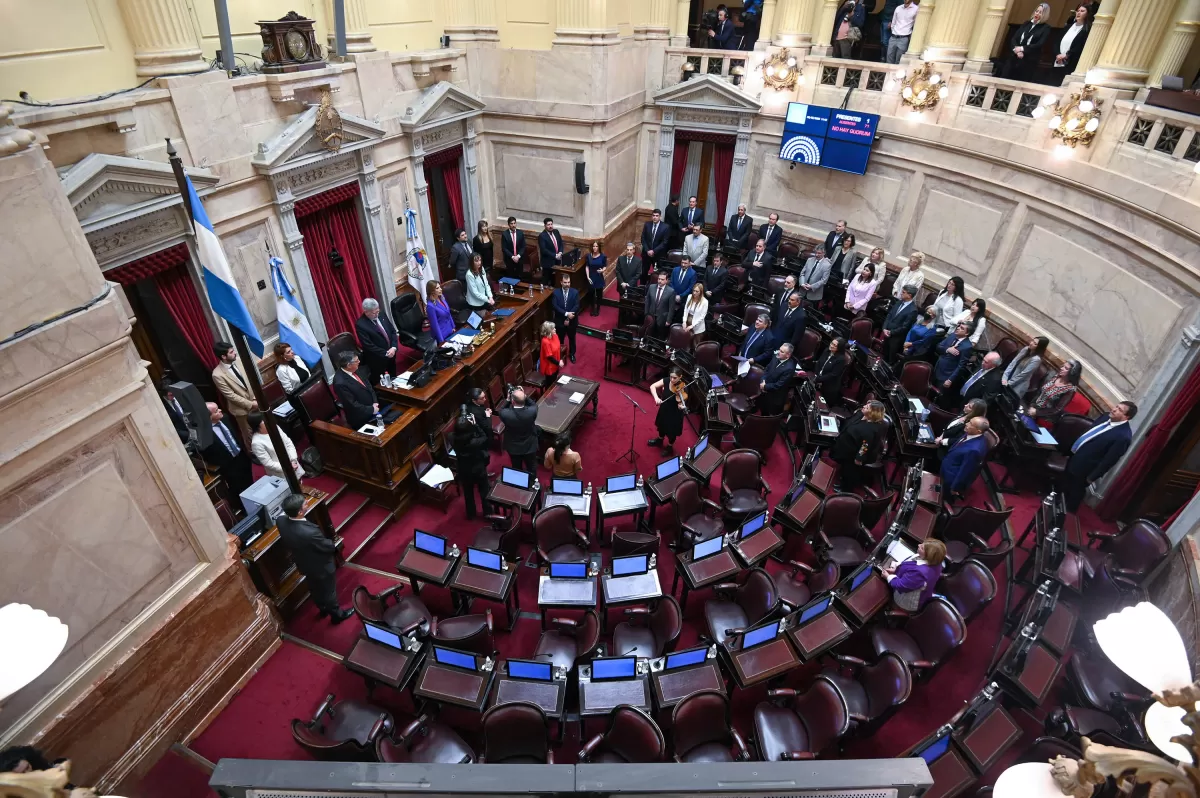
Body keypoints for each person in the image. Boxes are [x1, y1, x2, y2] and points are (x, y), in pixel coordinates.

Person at [277, 493, 352, 622]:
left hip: (304, 563)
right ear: (300, 512)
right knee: (329, 591)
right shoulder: (309, 533)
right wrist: (334, 546)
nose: (307, 503)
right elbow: (326, 546)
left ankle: (322, 608)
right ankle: (337, 615)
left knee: (314, 587)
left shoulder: (281, 521)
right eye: (305, 503)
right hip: (321, 566)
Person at [1063, 401, 1137, 512]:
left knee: (1074, 493)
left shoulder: (1123, 437)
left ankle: (1068, 515)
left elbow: (1109, 461)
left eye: (1119, 410)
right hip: (1074, 456)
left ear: (1126, 417)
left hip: (1085, 469)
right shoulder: (1105, 416)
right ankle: (1056, 505)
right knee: (1064, 485)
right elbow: (1089, 433)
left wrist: (1092, 477)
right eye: (1116, 406)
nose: (1114, 409)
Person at [831, 399, 888, 491]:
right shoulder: (860, 414)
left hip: (853, 454)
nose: (864, 406)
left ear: (872, 412)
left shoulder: (870, 430)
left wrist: (859, 458)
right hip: (847, 446)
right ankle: (842, 483)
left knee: (849, 472)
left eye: (867, 407)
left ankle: (846, 490)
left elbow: (865, 446)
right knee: (845, 469)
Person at [201, 402, 254, 498]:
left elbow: (235, 434)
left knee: (252, 480)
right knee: (240, 489)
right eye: (216, 411)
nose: (220, 410)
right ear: (209, 417)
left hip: (241, 456)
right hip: (228, 465)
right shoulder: (205, 433)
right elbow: (208, 453)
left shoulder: (225, 418)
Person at [333, 351, 394, 430]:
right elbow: (352, 405)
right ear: (349, 365)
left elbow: (368, 385)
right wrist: (372, 410)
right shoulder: (340, 383)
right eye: (356, 361)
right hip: (361, 417)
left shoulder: (355, 368)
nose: (359, 362)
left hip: (374, 406)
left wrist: (375, 402)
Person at [211, 340, 257, 445]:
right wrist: (251, 404)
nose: (234, 353)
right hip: (241, 410)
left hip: (256, 401)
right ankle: (255, 456)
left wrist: (255, 398)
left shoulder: (239, 361)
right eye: (231, 352)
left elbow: (251, 379)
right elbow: (230, 395)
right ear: (223, 356)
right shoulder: (217, 374)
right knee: (250, 435)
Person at [882, 540, 946, 611]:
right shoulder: (936, 561)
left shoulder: (920, 573)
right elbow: (910, 565)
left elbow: (901, 586)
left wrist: (888, 576)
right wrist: (897, 569)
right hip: (920, 590)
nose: (919, 545)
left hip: (906, 601)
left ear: (928, 555)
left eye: (922, 548)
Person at [454, 406, 492, 520]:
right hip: (478, 468)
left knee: (468, 493)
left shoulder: (452, 437)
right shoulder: (474, 442)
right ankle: (488, 513)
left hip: (464, 469)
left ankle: (471, 514)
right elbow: (485, 436)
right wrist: (475, 424)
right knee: (484, 491)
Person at [1000, 3, 1051, 82]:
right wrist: (1017, 51)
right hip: (1015, 56)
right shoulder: (1026, 23)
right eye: (1036, 11)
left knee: (1020, 82)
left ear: (1044, 15)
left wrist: (1022, 48)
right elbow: (1014, 38)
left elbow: (1039, 44)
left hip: (1029, 60)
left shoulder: (1046, 28)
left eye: (1040, 12)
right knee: (1005, 78)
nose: (1037, 13)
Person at [940, 417, 991, 497]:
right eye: (969, 421)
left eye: (971, 424)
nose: (966, 424)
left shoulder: (974, 450)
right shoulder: (971, 433)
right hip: (948, 464)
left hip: (950, 478)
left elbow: (965, 471)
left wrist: (955, 488)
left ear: (978, 431)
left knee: (942, 497)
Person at [248, 410, 304, 480]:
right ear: (258, 425)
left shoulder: (275, 427)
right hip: (280, 472)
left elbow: (288, 443)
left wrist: (293, 459)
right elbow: (268, 463)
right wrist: (288, 467)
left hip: (293, 463)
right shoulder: (256, 443)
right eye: (264, 420)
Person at [355, 298, 399, 384]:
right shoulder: (361, 325)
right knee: (380, 382)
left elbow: (392, 331)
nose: (377, 314)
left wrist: (394, 347)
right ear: (366, 312)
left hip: (391, 352)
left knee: (393, 375)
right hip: (377, 359)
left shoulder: (381, 314)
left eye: (377, 311)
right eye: (374, 313)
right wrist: (385, 353)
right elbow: (368, 345)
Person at [1025, 360, 1081, 426]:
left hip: (1046, 418)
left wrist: (1036, 412)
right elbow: (1040, 392)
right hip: (1034, 408)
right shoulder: (1055, 376)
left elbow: (1057, 410)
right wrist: (1032, 405)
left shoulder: (1070, 389)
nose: (1061, 368)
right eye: (1063, 366)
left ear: (1072, 372)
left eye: (1065, 368)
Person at [498, 386, 540, 474]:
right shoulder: (532, 411)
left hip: (513, 446)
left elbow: (501, 410)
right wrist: (524, 396)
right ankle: (533, 483)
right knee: (531, 466)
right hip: (529, 444)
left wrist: (507, 399)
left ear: (513, 401)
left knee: (516, 467)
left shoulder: (506, 414)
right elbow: (533, 405)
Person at [648, 368, 688, 451]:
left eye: (675, 378)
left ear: (680, 377)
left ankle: (669, 447)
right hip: (664, 409)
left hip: (674, 414)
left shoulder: (683, 388)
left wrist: (681, 407)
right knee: (661, 426)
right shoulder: (666, 380)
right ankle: (660, 440)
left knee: (671, 433)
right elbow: (652, 386)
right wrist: (656, 398)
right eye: (671, 377)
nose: (672, 380)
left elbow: (681, 404)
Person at [1052, 5, 1091, 84]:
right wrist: (1057, 54)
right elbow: (1057, 42)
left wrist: (1067, 55)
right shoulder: (1068, 27)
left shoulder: (1087, 30)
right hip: (1058, 61)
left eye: (1082, 11)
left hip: (1071, 62)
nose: (1079, 13)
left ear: (1087, 14)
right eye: (1078, 11)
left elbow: (1080, 46)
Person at [1003, 336, 1049, 401]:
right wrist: (1004, 377)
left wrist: (1008, 384)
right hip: (1008, 378)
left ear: (1039, 347)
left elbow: (1023, 375)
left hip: (1017, 386)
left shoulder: (1036, 359)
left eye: (1035, 344)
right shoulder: (1026, 349)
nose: (1031, 343)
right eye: (1032, 341)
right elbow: (1013, 362)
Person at [882, 285, 919, 362]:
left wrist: (891, 332)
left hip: (896, 338)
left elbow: (905, 327)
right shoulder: (899, 302)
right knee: (883, 355)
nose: (901, 293)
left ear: (909, 295)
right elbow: (889, 315)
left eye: (903, 292)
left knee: (890, 360)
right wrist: (884, 328)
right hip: (887, 333)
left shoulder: (913, 310)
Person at [934, 322, 975, 392]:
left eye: (962, 328)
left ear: (967, 333)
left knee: (938, 394)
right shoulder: (953, 335)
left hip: (946, 376)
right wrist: (947, 349)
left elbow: (961, 366)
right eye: (959, 326)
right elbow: (938, 346)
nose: (958, 328)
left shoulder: (967, 347)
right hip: (937, 369)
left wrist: (950, 379)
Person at [759, 342, 796, 415]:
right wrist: (762, 381)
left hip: (775, 397)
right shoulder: (776, 357)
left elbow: (779, 385)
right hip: (765, 391)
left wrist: (765, 386)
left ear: (788, 355)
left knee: (770, 417)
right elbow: (767, 369)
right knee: (763, 411)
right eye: (779, 349)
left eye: (782, 352)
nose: (778, 352)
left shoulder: (789, 368)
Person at [552, 273, 580, 362]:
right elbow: (555, 306)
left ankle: (572, 354)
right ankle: (560, 355)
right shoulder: (556, 293)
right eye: (565, 282)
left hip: (572, 320)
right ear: (561, 282)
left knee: (572, 339)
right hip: (560, 321)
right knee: (560, 339)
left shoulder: (575, 292)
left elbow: (576, 306)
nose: (567, 284)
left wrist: (568, 317)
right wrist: (566, 314)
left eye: (568, 282)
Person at [644, 270, 675, 339]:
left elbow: (671, 308)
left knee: (660, 336)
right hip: (651, 315)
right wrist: (646, 314)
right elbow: (647, 301)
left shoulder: (671, 291)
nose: (660, 281)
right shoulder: (651, 287)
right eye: (659, 279)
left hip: (662, 318)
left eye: (662, 279)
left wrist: (668, 320)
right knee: (649, 334)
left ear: (666, 281)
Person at [886, 0, 919, 64]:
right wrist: (894, 32)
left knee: (899, 60)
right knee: (889, 58)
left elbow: (916, 24)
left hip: (904, 38)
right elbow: (893, 22)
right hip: (893, 37)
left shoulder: (916, 9)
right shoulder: (898, 8)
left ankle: (895, 74)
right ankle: (888, 74)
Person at [425, 280, 456, 344]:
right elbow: (435, 325)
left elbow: (448, 313)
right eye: (437, 288)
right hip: (442, 334)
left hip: (450, 329)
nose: (440, 289)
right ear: (432, 291)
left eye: (440, 287)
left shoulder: (442, 297)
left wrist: (453, 326)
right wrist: (441, 340)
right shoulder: (430, 306)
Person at [641, 208, 670, 275]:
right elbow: (643, 238)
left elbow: (664, 242)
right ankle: (643, 285)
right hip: (646, 253)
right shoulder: (647, 225)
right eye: (653, 215)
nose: (655, 217)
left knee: (658, 273)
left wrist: (654, 251)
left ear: (660, 216)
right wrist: (648, 250)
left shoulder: (665, 227)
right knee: (643, 272)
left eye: (657, 216)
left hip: (658, 254)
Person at [585, 240, 607, 316]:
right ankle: (592, 308)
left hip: (598, 277)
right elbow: (587, 266)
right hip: (591, 277)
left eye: (596, 246)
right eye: (593, 246)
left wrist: (602, 270)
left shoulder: (603, 256)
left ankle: (597, 308)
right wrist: (587, 277)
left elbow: (605, 266)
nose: (595, 248)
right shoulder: (589, 256)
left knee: (599, 294)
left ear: (599, 247)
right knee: (591, 294)